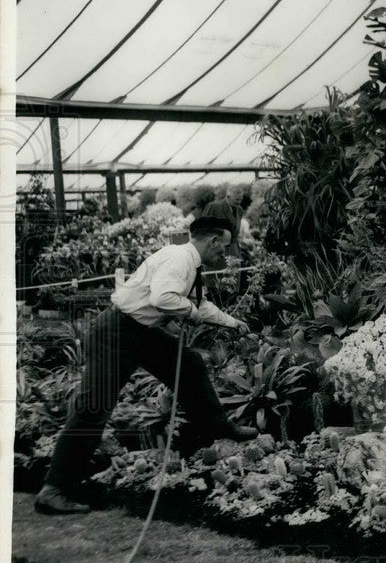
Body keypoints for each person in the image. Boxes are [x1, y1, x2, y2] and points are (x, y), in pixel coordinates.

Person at [35, 217, 257, 515]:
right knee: (93, 408)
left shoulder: (188, 261)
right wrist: (189, 313)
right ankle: (54, 489)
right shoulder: (180, 258)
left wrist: (232, 323)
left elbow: (197, 304)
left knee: (189, 364)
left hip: (140, 332)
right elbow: (164, 298)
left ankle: (218, 428)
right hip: (115, 334)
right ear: (213, 241)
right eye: (224, 246)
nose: (225, 254)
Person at [201, 185, 245, 257]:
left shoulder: (239, 210)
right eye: (237, 200)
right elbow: (203, 228)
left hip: (234, 251)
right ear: (228, 197)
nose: (239, 202)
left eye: (241, 199)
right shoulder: (213, 207)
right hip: (217, 252)